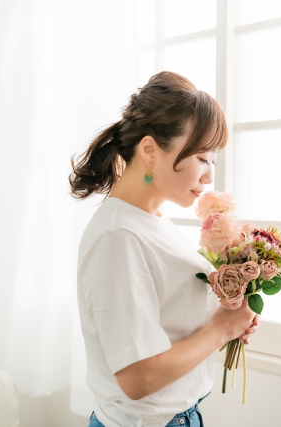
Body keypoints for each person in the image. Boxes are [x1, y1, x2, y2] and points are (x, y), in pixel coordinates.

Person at [68, 71, 259, 427]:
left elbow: (167, 331)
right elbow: (138, 378)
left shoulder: (152, 222)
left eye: (212, 161)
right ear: (151, 150)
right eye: (202, 157)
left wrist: (228, 320)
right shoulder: (118, 236)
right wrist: (221, 329)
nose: (209, 176)